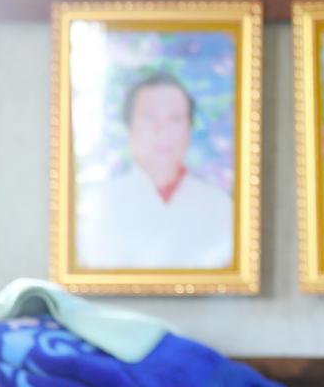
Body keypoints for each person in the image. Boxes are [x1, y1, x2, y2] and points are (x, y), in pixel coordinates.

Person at [75, 69, 234, 271]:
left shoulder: (221, 207)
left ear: (189, 130)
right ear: (128, 128)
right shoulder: (96, 204)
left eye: (175, 118)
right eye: (150, 118)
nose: (162, 130)